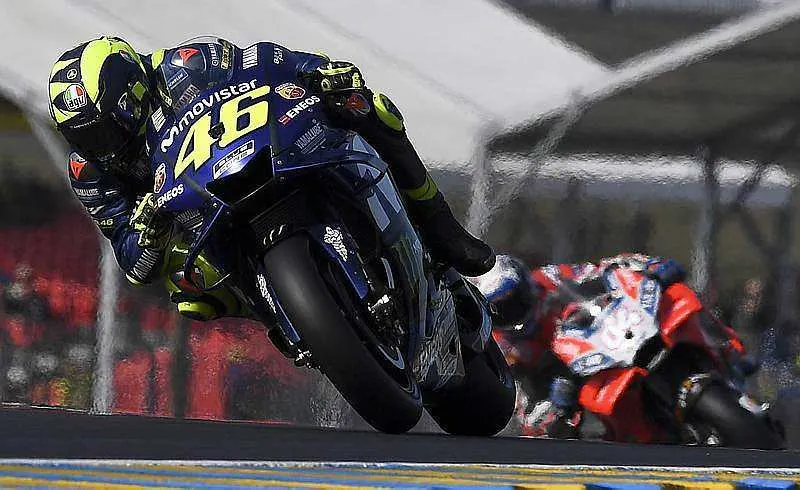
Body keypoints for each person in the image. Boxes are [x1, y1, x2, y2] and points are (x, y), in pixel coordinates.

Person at [47, 36, 494, 320]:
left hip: (266, 153)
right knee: (189, 293)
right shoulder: (89, 172)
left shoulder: (186, 64)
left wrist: (317, 72)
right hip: (203, 222)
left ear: (131, 93)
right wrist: (147, 234)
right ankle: (292, 317)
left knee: (367, 106)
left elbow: (267, 61)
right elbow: (133, 265)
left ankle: (442, 229)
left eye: (99, 129)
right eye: (80, 136)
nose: (96, 145)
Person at [474, 253, 747, 438]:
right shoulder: (502, 348)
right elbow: (518, 404)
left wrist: (644, 267)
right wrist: (549, 412)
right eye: (501, 309)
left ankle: (727, 348)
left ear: (525, 283)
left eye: (515, 298)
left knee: (675, 295)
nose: (513, 310)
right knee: (562, 433)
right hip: (571, 381)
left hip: (606, 337)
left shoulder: (548, 278)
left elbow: (599, 270)